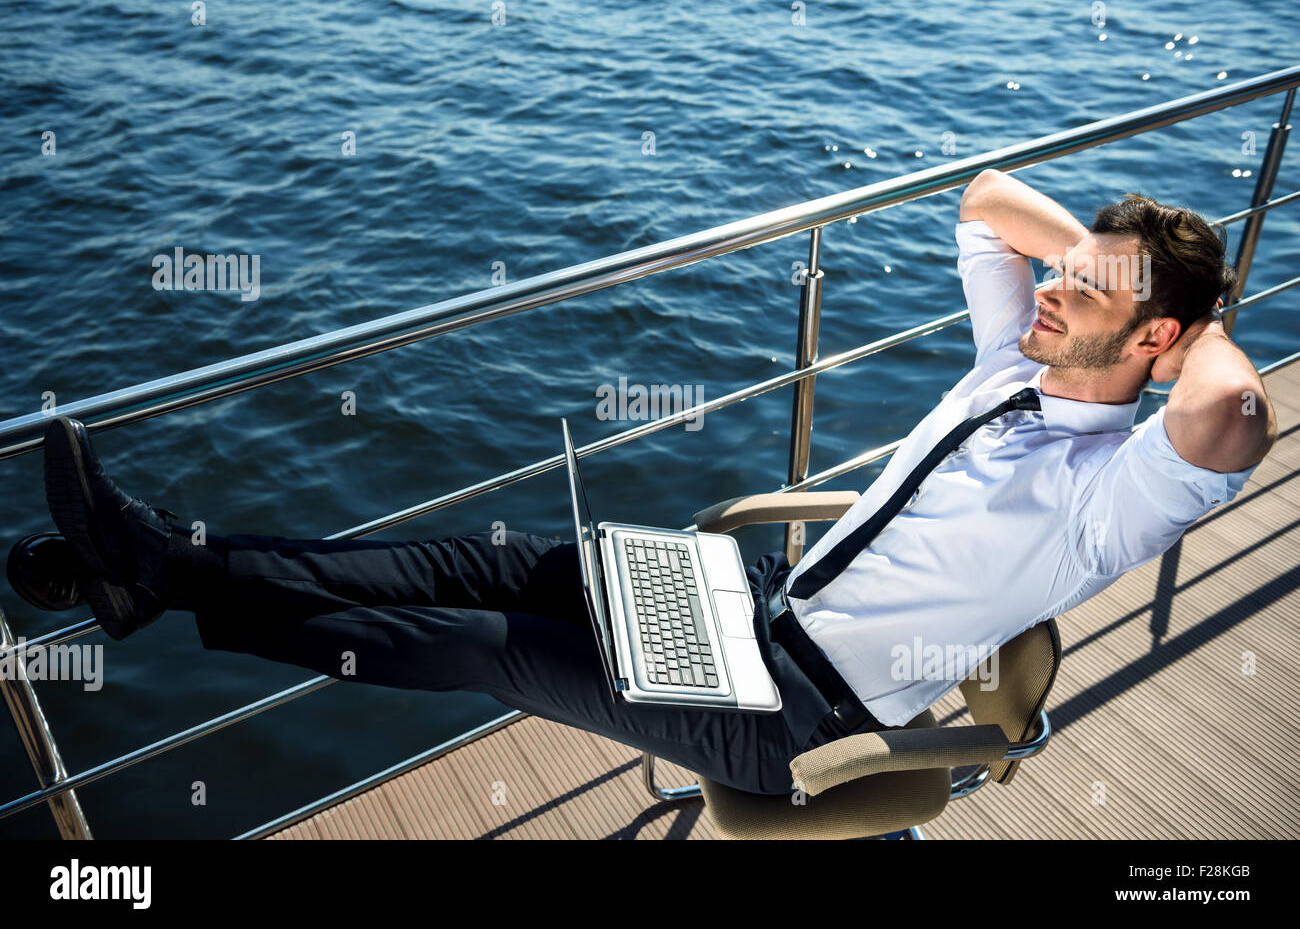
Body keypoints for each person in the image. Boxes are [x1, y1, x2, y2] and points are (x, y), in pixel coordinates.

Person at [17, 170, 1278, 797]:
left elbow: (1233, 408)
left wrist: (1184, 302)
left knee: (483, 647)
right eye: (1062, 276)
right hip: (753, 596)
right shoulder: (1023, 357)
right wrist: (1110, 268)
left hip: (796, 712)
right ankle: (161, 566)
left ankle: (162, 584)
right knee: (479, 560)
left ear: (1158, 342)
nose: (1050, 290)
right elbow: (985, 197)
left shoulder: (1123, 492)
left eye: (1088, 292)